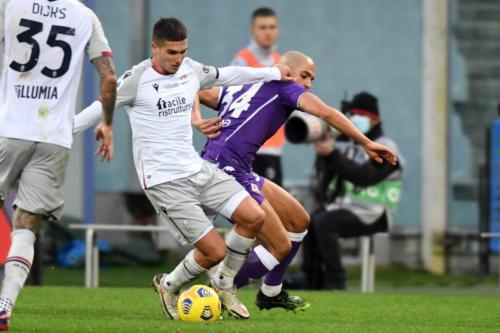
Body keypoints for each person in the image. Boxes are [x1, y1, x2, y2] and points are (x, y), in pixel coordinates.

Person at [73, 17, 294, 320]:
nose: (178, 59)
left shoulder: (190, 68)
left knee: (253, 217)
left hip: (197, 168)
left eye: (182, 51)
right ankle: (169, 284)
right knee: (214, 251)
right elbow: (98, 107)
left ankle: (224, 282)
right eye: (171, 53)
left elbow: (226, 75)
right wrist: (56, 135)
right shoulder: (136, 80)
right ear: (155, 48)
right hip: (164, 181)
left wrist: (271, 72)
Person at [196, 52, 398, 310]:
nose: (308, 84)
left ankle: (270, 292)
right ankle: (220, 288)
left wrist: (195, 119)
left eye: (312, 78)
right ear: (286, 70)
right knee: (279, 245)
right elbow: (327, 113)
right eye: (305, 75)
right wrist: (367, 142)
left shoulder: (248, 84)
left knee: (299, 221)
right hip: (227, 170)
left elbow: (196, 90)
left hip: (236, 168)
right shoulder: (285, 87)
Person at [0, 0, 116, 330]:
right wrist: (107, 125)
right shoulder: (85, 15)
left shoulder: (11, 4)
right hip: (54, 138)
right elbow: (109, 80)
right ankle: (4, 304)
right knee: (26, 223)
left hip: (8, 129)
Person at [302, 92, 404, 290]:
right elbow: (324, 185)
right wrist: (324, 156)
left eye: (359, 114)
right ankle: (312, 281)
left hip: (375, 213)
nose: (354, 119)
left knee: (325, 222)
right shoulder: (348, 147)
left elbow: (364, 177)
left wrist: (333, 154)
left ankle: (336, 282)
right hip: (347, 208)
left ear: (374, 119)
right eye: (352, 114)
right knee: (309, 220)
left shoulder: (388, 149)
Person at [231, 7, 285, 186]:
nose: (268, 32)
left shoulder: (282, 62)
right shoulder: (242, 61)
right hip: (248, 151)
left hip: (273, 150)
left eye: (272, 27)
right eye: (262, 27)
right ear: (252, 30)